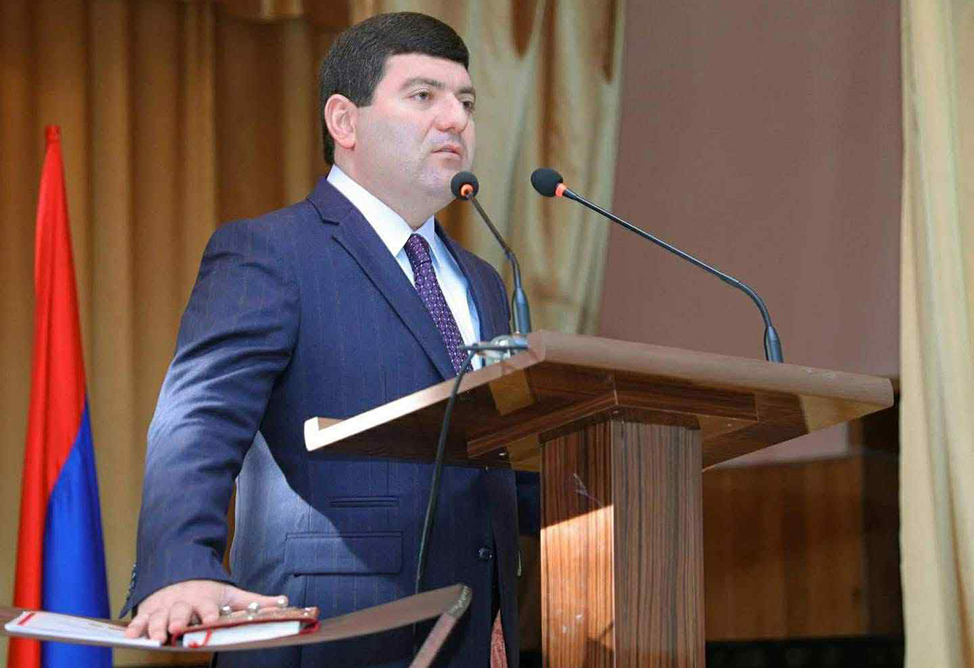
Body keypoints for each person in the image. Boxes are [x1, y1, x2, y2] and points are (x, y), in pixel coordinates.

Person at [122, 12, 521, 668]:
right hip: (326, 636)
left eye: (467, 102)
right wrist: (181, 564)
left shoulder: (485, 281)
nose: (455, 119)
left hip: (471, 639)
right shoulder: (271, 252)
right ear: (344, 121)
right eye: (424, 95)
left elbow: (497, 458)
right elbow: (199, 419)